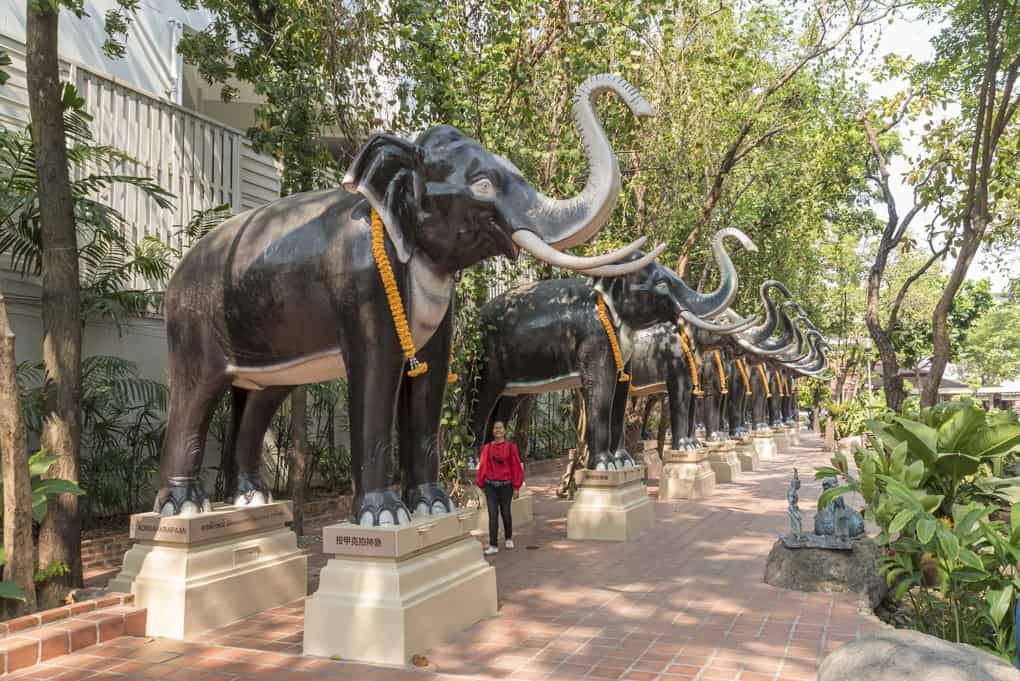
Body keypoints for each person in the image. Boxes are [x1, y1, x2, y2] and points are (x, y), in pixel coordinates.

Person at [476, 421, 524, 555]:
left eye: (500, 428)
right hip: (490, 486)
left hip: (506, 486)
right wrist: (481, 484)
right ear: (493, 431)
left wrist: (516, 487)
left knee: (506, 513)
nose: (498, 430)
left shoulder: (511, 447)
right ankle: (493, 545)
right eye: (495, 428)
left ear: (504, 431)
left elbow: (516, 467)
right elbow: (483, 466)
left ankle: (509, 538)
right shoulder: (487, 448)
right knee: (492, 516)